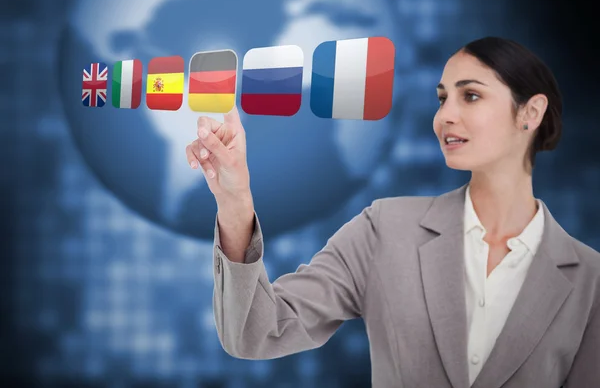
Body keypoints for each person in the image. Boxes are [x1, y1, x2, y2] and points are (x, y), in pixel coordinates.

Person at [185, 36, 600, 388]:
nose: (444, 116)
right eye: (442, 99)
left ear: (530, 112)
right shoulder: (385, 229)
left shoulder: (590, 279)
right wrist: (235, 203)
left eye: (470, 95)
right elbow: (255, 333)